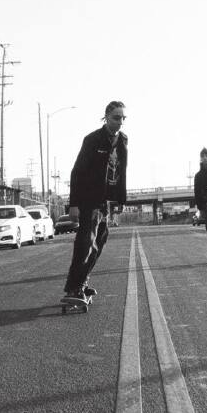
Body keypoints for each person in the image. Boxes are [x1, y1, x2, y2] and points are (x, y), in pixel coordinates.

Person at [61, 101, 127, 303]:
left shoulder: (123, 140)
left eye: (123, 118)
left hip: (105, 200)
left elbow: (123, 170)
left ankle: (82, 282)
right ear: (106, 116)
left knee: (100, 240)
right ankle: (74, 288)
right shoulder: (92, 140)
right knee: (85, 243)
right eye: (116, 117)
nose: (120, 122)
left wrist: (120, 199)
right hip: (89, 198)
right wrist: (73, 205)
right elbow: (77, 172)